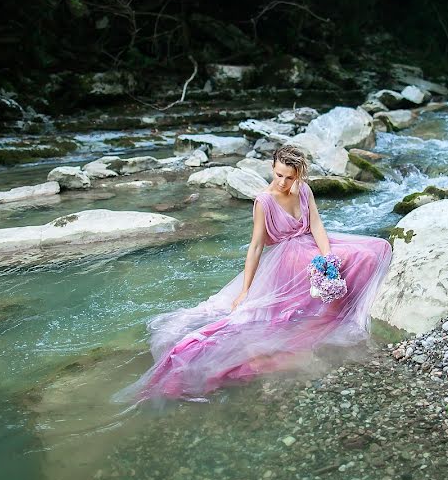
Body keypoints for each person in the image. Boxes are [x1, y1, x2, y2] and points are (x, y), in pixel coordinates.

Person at [111, 144, 393, 406]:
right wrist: (246, 290)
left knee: (373, 250)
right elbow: (256, 246)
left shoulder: (304, 190)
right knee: (348, 262)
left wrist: (327, 255)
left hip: (310, 246)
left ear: (299, 175)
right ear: (272, 168)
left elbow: (317, 224)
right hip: (288, 255)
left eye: (289, 177)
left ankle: (332, 306)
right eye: (279, 175)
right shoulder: (264, 201)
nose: (283, 182)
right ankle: (326, 314)